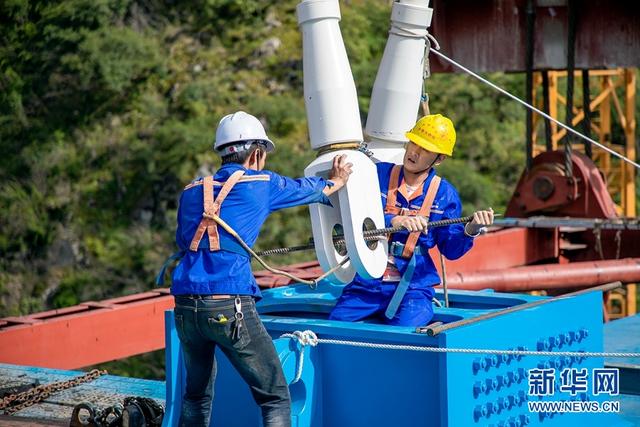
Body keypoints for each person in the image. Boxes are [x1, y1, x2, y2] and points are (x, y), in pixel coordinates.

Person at [170, 111, 352, 427]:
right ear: (256, 152)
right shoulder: (261, 183)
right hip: (229, 303)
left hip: (186, 305)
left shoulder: (190, 191)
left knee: (196, 396)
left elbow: (185, 240)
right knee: (275, 397)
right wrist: (336, 181)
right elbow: (310, 189)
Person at [329, 113, 494, 327]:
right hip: (367, 284)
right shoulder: (376, 175)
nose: (415, 152)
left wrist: (470, 229)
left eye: (425, 150)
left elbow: (451, 250)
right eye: (413, 143)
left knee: (406, 333)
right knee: (335, 327)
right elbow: (352, 216)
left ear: (440, 159)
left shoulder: (444, 194)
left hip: (413, 287)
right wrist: (393, 221)